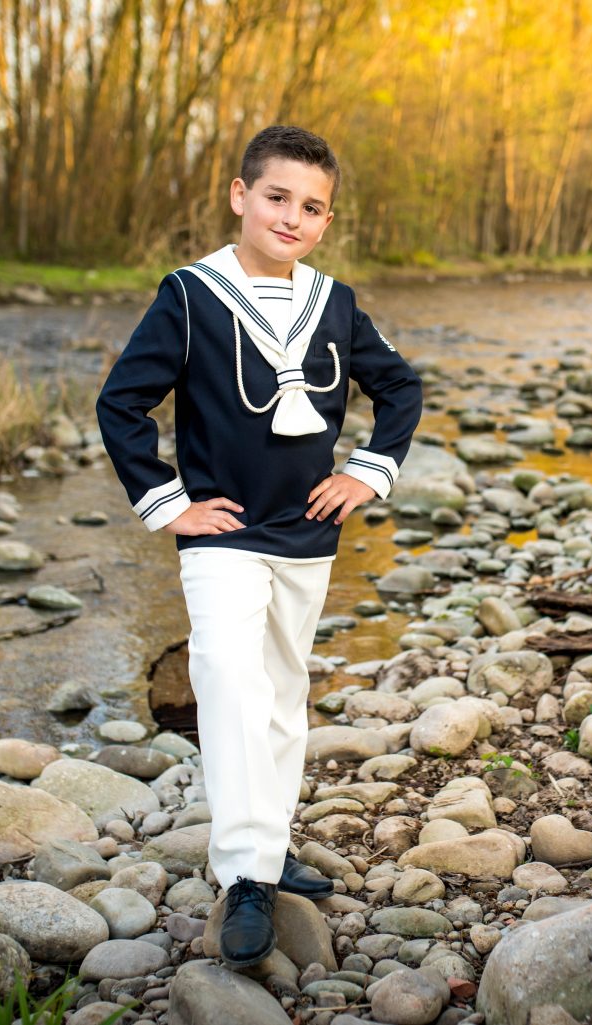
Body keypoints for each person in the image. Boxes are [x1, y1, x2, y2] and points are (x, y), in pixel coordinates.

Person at [95, 125, 423, 968]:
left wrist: (368, 473)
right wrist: (171, 504)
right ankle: (243, 874)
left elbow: (400, 388)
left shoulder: (335, 302)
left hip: (308, 533)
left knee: (281, 694)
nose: (292, 216)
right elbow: (121, 403)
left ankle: (270, 847)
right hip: (225, 535)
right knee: (229, 682)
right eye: (276, 197)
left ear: (327, 220)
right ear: (240, 196)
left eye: (311, 207)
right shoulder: (190, 295)